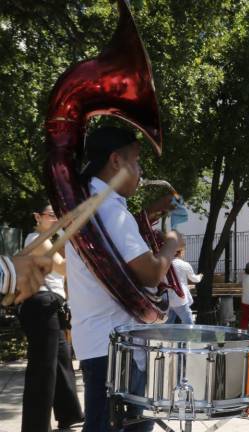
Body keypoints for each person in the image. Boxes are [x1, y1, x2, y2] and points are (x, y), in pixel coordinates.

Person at [66, 126, 178, 432]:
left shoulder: (89, 201)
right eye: (137, 161)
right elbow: (151, 273)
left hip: (105, 342)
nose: (140, 172)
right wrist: (171, 243)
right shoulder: (109, 208)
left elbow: (116, 252)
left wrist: (151, 211)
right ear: (116, 161)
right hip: (113, 345)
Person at [18, 203, 83, 431]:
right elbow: (64, 268)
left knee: (62, 360)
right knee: (43, 368)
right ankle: (35, 426)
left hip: (51, 305)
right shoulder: (36, 239)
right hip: (40, 305)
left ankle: (70, 414)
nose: (57, 219)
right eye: (52, 215)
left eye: (59, 215)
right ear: (37, 217)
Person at [167, 232, 201, 324]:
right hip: (180, 298)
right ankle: (188, 338)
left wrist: (187, 286)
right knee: (188, 321)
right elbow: (195, 279)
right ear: (181, 251)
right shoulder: (184, 264)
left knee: (169, 322)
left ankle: (166, 338)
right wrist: (200, 276)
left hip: (168, 297)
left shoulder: (165, 264)